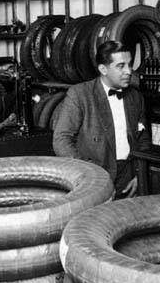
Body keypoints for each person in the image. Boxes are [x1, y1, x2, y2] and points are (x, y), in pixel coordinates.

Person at [53, 41, 151, 198]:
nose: (129, 71)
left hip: (129, 176)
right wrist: (88, 176)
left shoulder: (136, 97)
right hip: (95, 176)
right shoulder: (80, 94)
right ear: (103, 69)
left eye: (129, 64)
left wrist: (141, 175)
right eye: (121, 66)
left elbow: (143, 139)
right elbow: (61, 140)